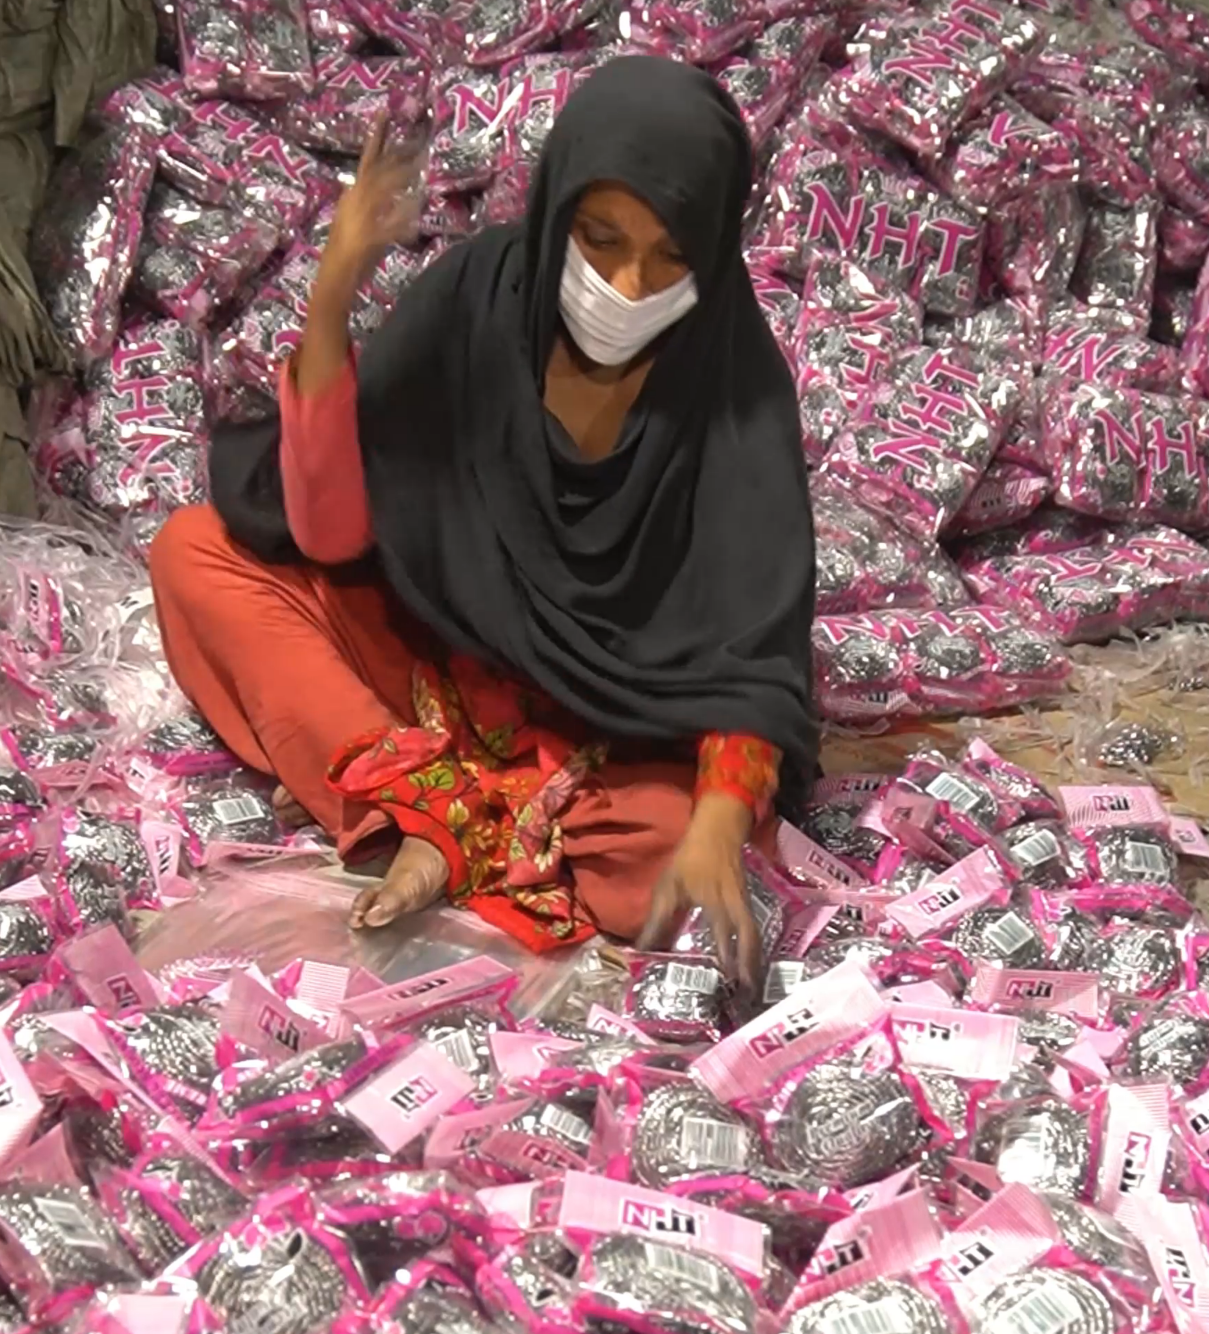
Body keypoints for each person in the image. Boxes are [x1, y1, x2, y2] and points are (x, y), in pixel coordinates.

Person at [149, 55, 816, 984]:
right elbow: (333, 534)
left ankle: (459, 825)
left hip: (608, 721)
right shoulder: (474, 305)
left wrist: (716, 822)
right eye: (600, 239)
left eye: (671, 258)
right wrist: (335, 289)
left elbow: (753, 656)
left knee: (660, 878)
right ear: (554, 214)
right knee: (197, 554)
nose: (627, 287)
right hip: (432, 667)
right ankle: (426, 814)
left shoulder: (731, 386)